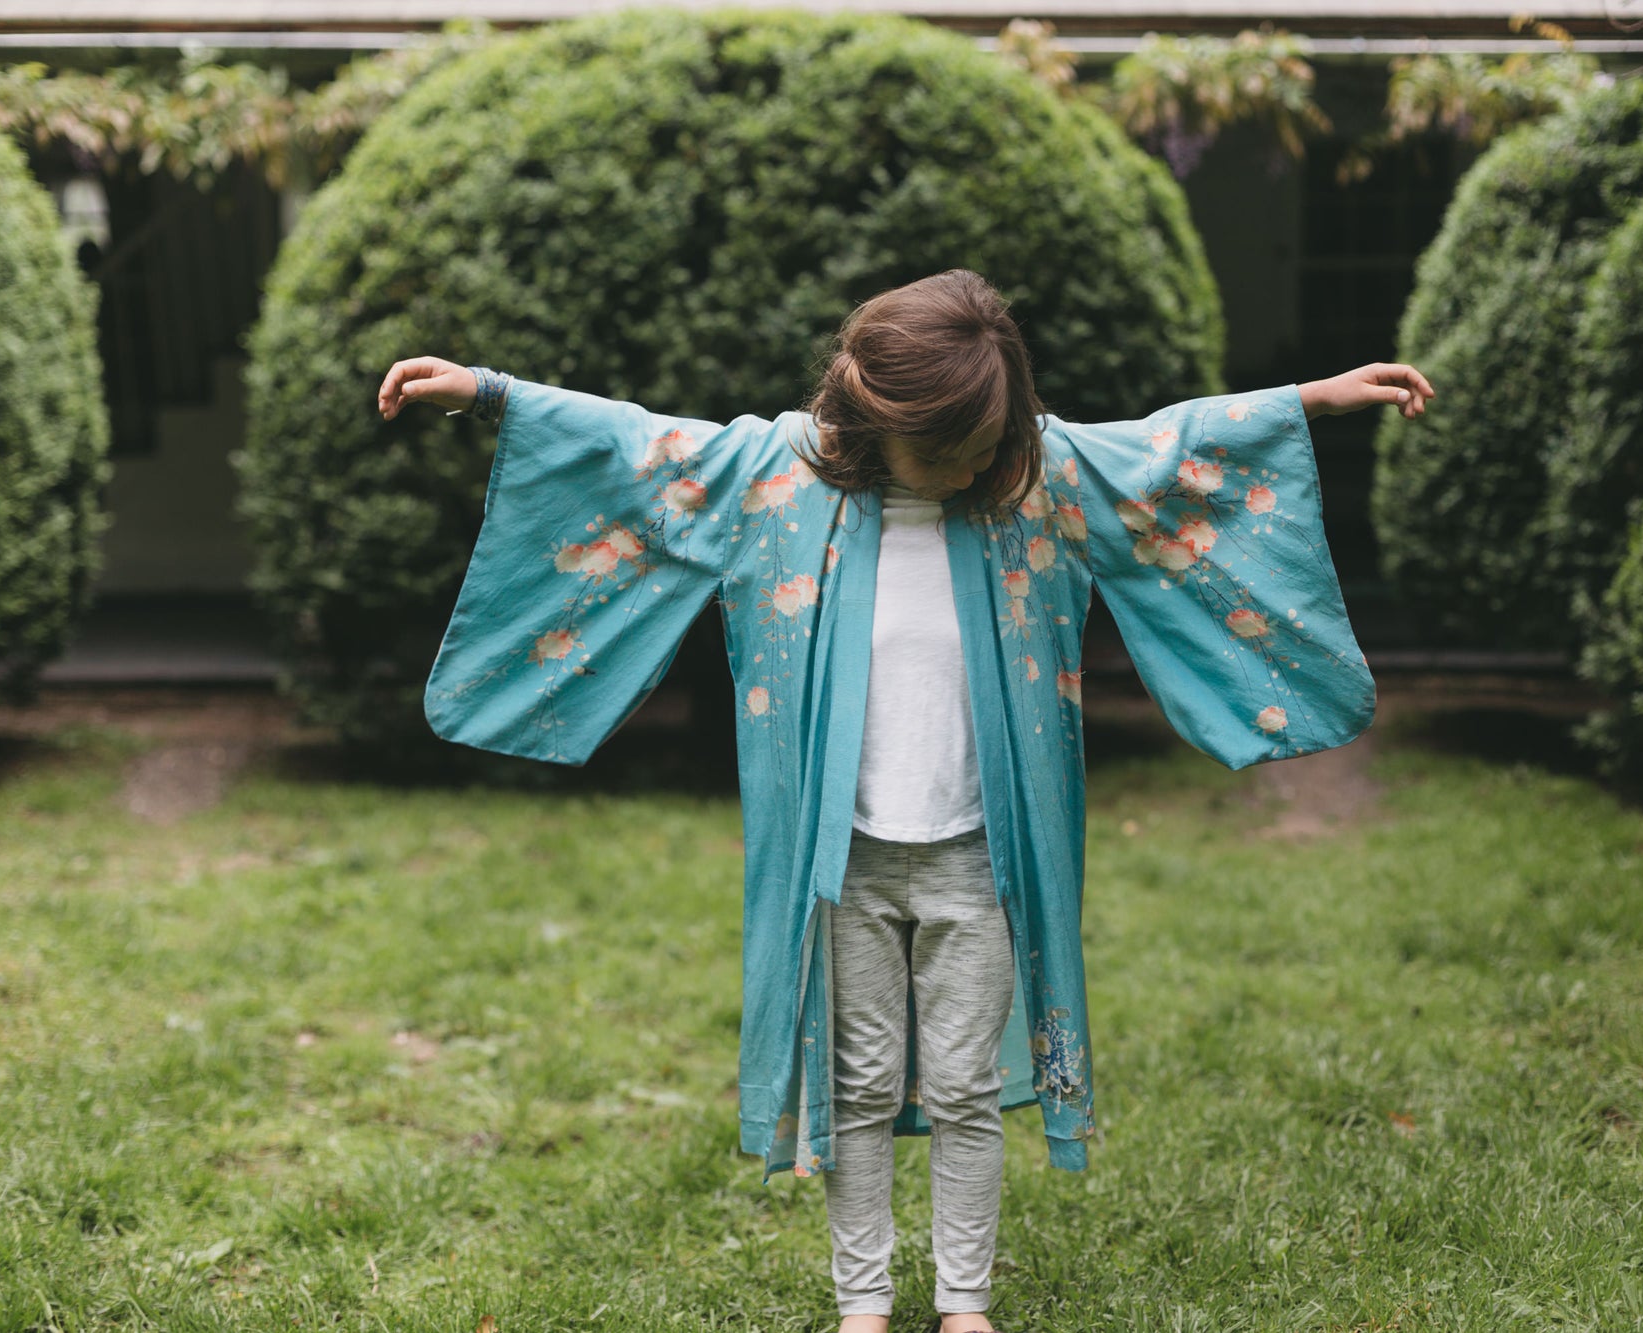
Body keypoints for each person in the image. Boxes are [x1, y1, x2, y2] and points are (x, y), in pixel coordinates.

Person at [378, 269, 1431, 1333]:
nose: (980, 460)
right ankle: (863, 1305)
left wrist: (1309, 399)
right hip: (843, 856)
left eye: (995, 435)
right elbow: (637, 446)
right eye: (957, 444)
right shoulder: (771, 478)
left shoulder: (1039, 478)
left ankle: (963, 1305)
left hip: (983, 851)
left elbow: (1168, 448)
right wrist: (489, 391)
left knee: (971, 1083)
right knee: (862, 1083)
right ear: (880, 418)